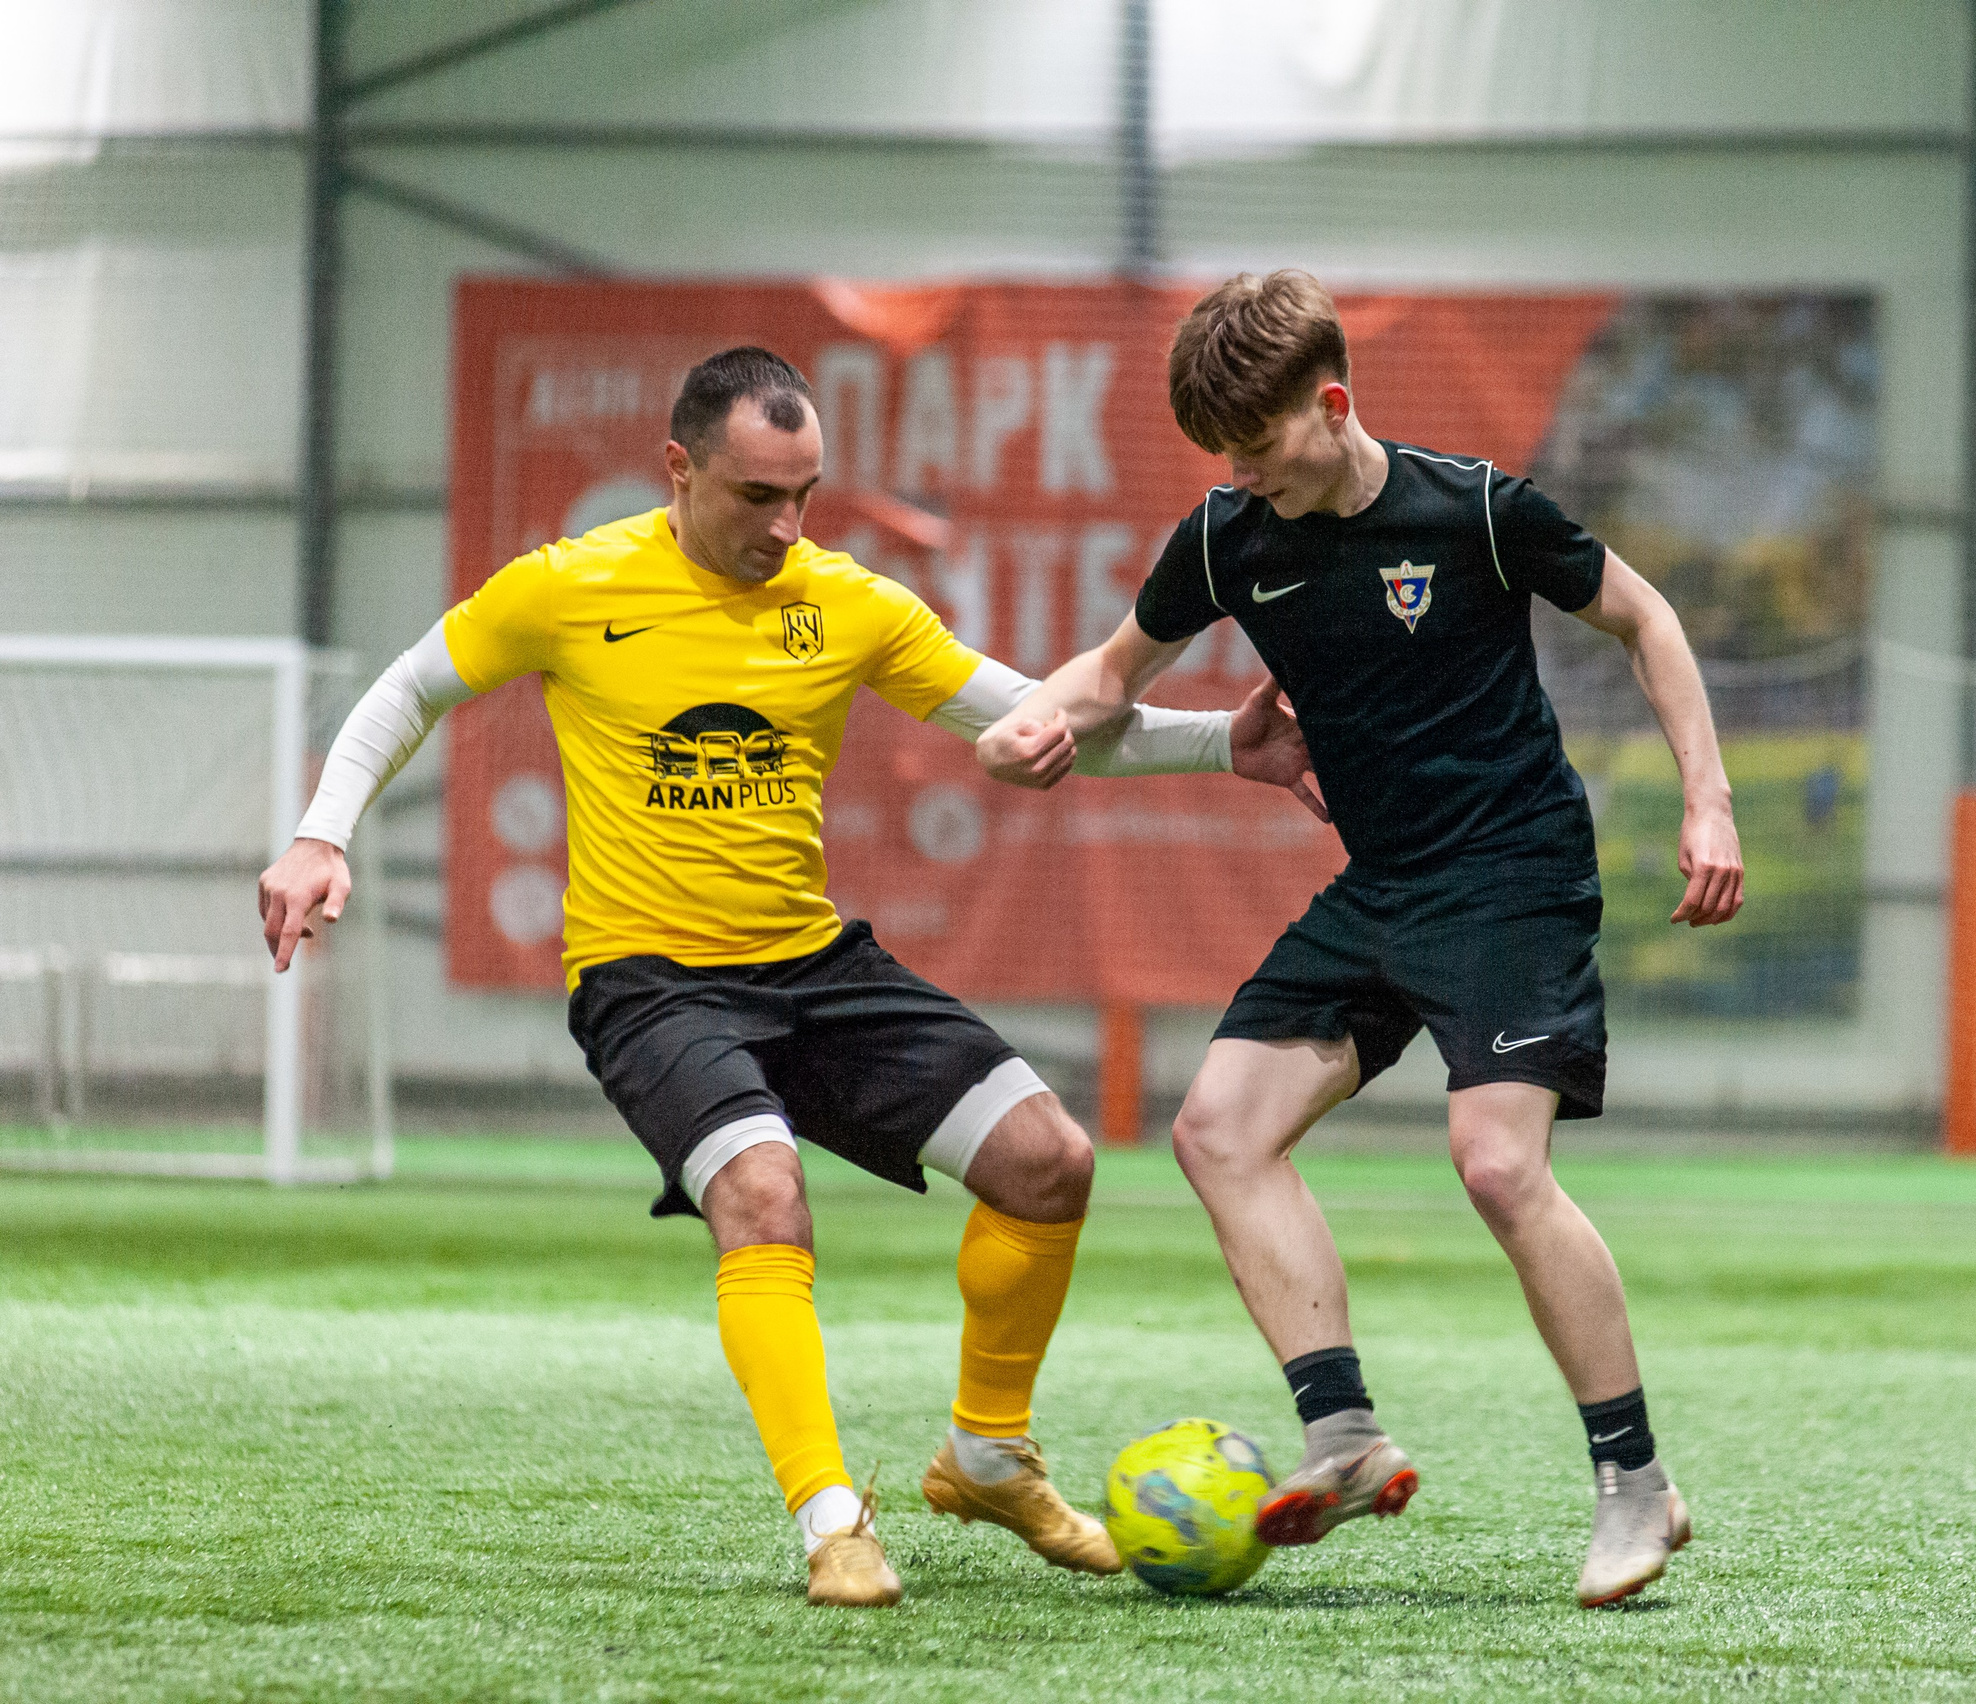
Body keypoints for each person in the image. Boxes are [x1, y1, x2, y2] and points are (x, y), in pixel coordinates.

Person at [255, 346, 1319, 1608]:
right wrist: (321, 833)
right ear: (679, 467)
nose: (786, 525)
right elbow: (407, 690)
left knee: (1050, 1160)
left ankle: (987, 1459)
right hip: (649, 984)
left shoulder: (846, 601)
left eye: (805, 493)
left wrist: (1223, 745)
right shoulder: (570, 584)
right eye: (757, 494)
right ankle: (833, 1521)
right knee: (764, 1195)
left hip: (810, 965)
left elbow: (1033, 719)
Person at [975, 272, 1745, 1607]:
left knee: (1496, 1165)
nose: (1241, 473)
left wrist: (1709, 801)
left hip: (1513, 878)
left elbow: (1645, 618)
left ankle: (1635, 1484)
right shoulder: (1228, 537)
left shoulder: (1477, 511)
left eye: (1258, 444)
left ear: (1332, 405)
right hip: (1383, 886)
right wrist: (1037, 721)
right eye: (1221, 453)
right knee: (1218, 1130)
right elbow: (1112, 673)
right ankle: (1342, 1437)